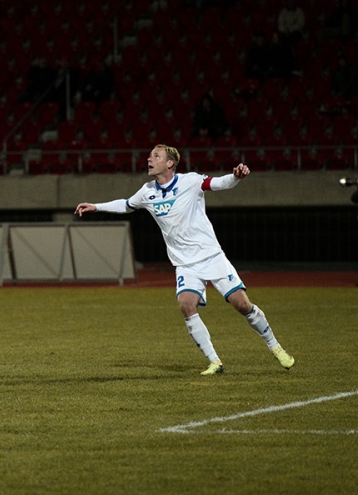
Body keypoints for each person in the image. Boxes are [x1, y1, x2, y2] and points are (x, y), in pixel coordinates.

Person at [74, 145, 295, 376]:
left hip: (211, 257)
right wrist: (96, 206)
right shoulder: (147, 191)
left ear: (170, 163)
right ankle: (215, 362)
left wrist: (236, 177)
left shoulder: (190, 181)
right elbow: (127, 204)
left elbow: (217, 183)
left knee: (241, 305)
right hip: (185, 264)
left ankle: (276, 347)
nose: (149, 159)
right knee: (186, 305)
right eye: (150, 156)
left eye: (156, 156)